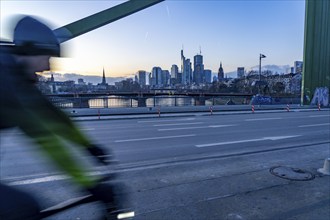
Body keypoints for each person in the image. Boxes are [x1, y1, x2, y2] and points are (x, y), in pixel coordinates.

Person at [0, 16, 121, 219]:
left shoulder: (17, 76)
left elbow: (54, 117)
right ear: (31, 50)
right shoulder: (5, 80)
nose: (48, 67)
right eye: (47, 58)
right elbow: (45, 138)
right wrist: (88, 184)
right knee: (23, 208)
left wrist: (88, 146)